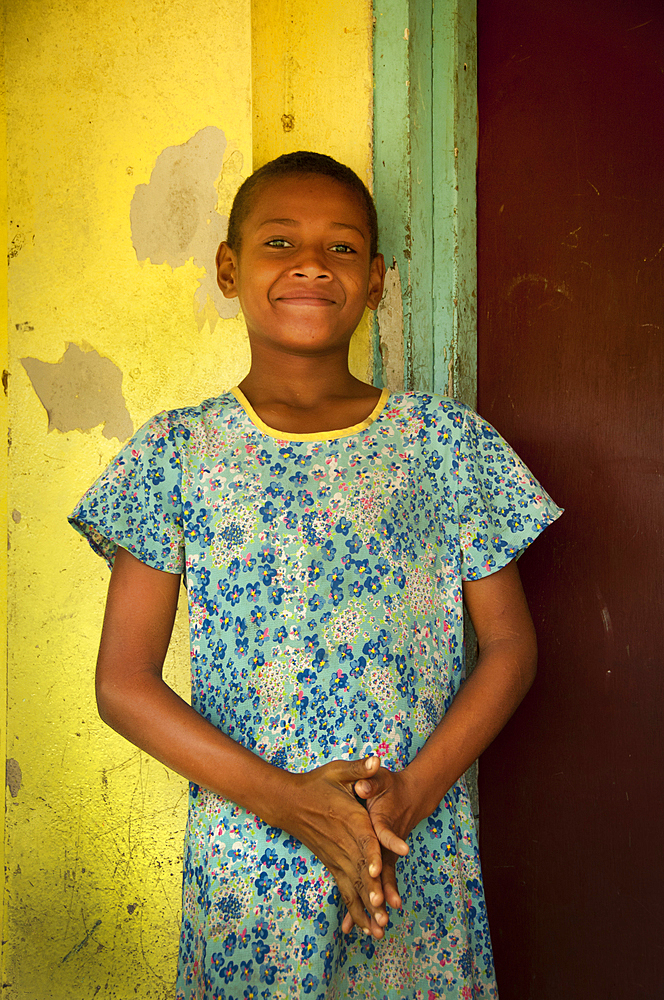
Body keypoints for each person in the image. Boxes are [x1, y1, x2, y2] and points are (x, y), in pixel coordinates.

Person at [70, 151, 562, 1000]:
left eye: (340, 249)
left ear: (374, 281)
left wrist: (406, 800)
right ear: (229, 269)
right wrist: (288, 803)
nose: (309, 263)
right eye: (279, 241)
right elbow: (122, 682)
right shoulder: (177, 452)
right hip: (249, 854)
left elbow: (511, 646)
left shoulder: (445, 445)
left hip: (414, 846)